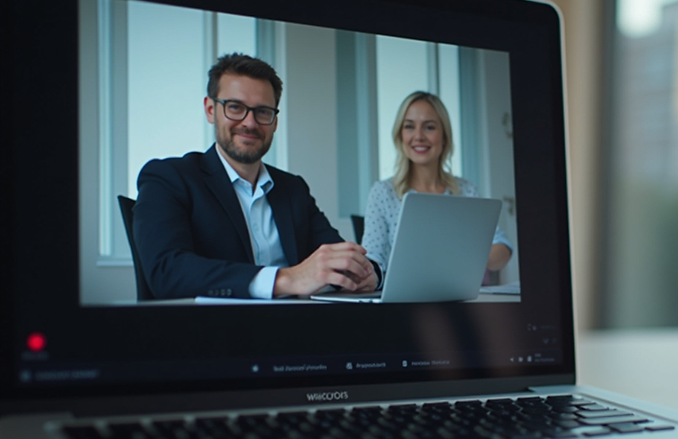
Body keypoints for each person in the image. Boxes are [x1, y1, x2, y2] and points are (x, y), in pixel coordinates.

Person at [133, 53, 380, 300]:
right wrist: (287, 279)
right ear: (210, 110)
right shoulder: (168, 178)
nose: (250, 123)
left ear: (274, 121)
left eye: (262, 111)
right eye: (235, 107)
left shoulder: (293, 189)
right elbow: (167, 271)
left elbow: (336, 259)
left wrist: (370, 274)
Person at [362, 91, 512, 275]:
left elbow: (503, 248)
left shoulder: (466, 191)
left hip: (457, 297)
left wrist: (465, 254)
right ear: (400, 136)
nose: (418, 136)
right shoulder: (383, 192)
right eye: (409, 126)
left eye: (429, 127)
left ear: (444, 136)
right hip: (402, 300)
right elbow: (372, 259)